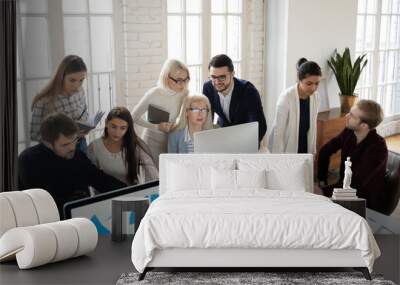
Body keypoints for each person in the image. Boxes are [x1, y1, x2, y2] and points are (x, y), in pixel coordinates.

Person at [19, 113, 127, 218]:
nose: (72, 147)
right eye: (65, 144)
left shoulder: (76, 156)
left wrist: (130, 192)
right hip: (50, 224)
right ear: (48, 144)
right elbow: (38, 205)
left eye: (75, 140)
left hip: (80, 218)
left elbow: (100, 179)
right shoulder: (29, 161)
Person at [317, 100, 388, 211]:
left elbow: (356, 184)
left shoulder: (378, 148)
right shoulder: (349, 132)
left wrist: (323, 191)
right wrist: (322, 181)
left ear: (364, 125)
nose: (347, 116)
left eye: (352, 116)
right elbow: (325, 151)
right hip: (345, 190)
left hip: (365, 199)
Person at [131, 59, 190, 166]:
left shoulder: (185, 94)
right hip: (152, 141)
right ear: (167, 78)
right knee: (154, 178)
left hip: (172, 142)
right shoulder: (154, 93)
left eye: (186, 79)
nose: (183, 84)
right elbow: (133, 117)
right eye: (179, 80)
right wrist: (157, 127)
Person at [202, 54, 267, 144]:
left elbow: (259, 127)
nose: (216, 82)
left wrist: (246, 146)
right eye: (213, 77)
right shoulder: (208, 87)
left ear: (232, 74)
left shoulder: (248, 91)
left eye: (222, 77)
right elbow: (207, 118)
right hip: (223, 135)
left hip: (246, 138)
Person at [30, 55, 89, 152]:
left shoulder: (80, 91)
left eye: (81, 80)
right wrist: (62, 138)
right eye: (72, 80)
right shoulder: (44, 101)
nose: (77, 85)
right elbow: (35, 134)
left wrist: (85, 126)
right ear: (61, 77)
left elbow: (84, 112)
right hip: (58, 151)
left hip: (80, 144)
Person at [87, 107, 158, 185]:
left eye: (122, 128)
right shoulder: (94, 147)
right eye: (114, 127)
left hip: (130, 194)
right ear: (106, 123)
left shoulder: (135, 144)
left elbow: (151, 171)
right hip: (104, 195)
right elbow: (90, 178)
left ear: (128, 128)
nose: (117, 132)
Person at [269, 58, 322, 153]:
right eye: (309, 83)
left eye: (317, 83)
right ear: (299, 79)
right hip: (287, 149)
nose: (313, 88)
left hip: (305, 145)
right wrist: (276, 159)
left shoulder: (316, 97)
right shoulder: (286, 98)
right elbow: (278, 133)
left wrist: (312, 152)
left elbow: (313, 128)